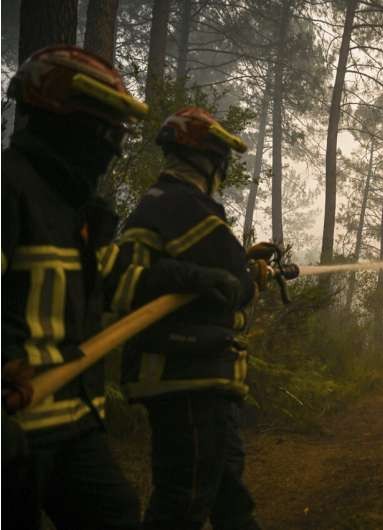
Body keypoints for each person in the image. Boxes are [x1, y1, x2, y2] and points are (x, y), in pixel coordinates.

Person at [1, 46, 242, 530]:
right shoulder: (10, 189)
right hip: (16, 425)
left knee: (116, 513)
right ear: (63, 120)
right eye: (106, 129)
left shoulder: (73, 211)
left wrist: (190, 277)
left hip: (69, 419)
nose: (114, 147)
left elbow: (115, 281)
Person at [117, 107, 272, 530]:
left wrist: (246, 266)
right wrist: (250, 275)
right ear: (209, 162)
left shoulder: (160, 204)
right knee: (181, 506)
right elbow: (233, 286)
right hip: (188, 377)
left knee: (230, 502)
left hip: (193, 375)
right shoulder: (187, 206)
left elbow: (208, 276)